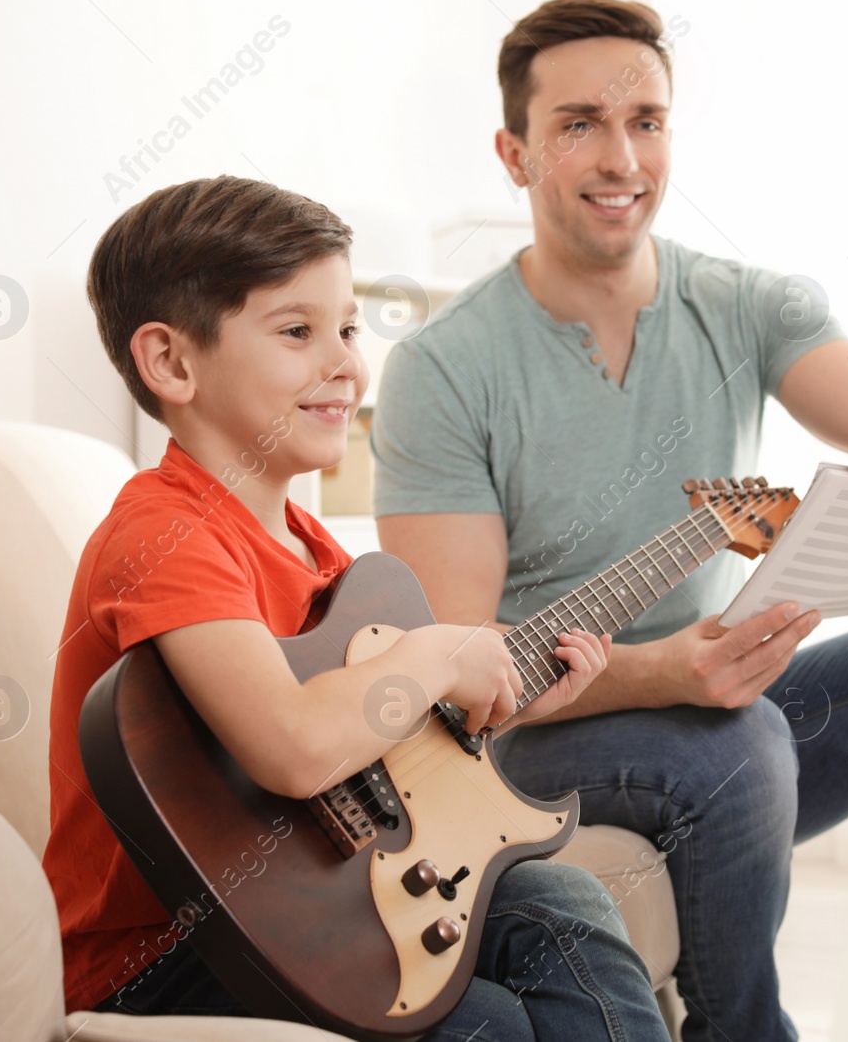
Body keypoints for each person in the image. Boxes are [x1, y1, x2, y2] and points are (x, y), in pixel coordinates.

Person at [371, 0, 848, 1042]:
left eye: (647, 121)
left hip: (719, 702)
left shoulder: (743, 304)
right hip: (539, 739)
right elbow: (464, 681)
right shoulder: (441, 369)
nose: (619, 155)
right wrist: (656, 673)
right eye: (578, 123)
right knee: (739, 738)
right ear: (514, 152)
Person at [41, 175, 672, 1042]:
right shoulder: (163, 533)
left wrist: (499, 700)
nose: (348, 364)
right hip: (164, 953)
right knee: (487, 1025)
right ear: (172, 362)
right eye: (298, 332)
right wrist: (443, 653)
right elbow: (295, 745)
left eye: (347, 327)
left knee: (560, 897)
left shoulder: (327, 561)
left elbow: (376, 753)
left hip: (314, 902)